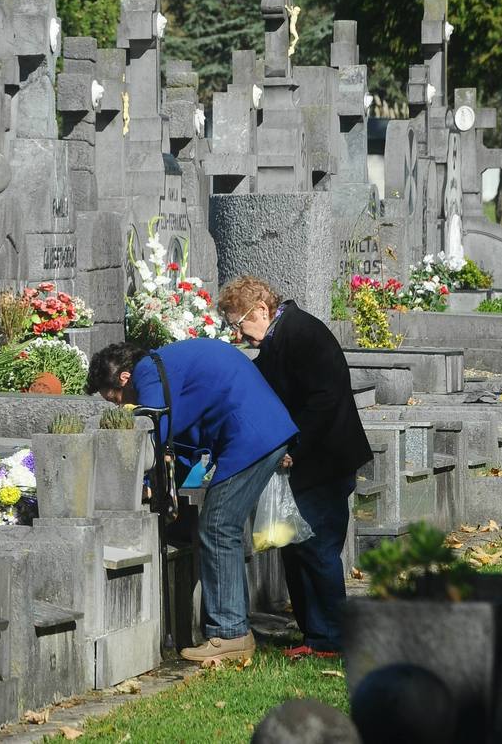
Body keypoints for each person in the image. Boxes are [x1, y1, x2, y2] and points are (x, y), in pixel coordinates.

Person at [86, 338, 298, 664]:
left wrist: (140, 482)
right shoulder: (167, 364)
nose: (119, 407)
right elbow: (184, 437)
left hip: (251, 436)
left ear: (124, 379)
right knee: (220, 526)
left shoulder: (147, 373)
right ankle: (235, 630)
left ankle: (230, 634)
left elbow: (155, 429)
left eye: (115, 399)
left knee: (217, 527)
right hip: (260, 431)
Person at [218, 276, 371, 659]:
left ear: (262, 311)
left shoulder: (301, 334)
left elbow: (324, 401)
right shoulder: (278, 337)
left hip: (324, 462)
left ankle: (331, 638)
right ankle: (314, 634)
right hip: (307, 463)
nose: (238, 335)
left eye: (239, 325)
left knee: (318, 549)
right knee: (294, 547)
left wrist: (295, 448)